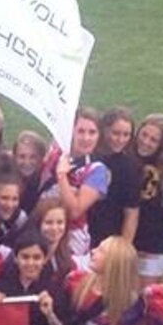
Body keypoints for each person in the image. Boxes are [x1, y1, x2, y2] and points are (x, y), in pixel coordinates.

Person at [41, 107, 109, 261]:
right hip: (41, 225)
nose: (86, 138)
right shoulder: (57, 149)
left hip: (71, 237)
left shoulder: (97, 170)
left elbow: (75, 211)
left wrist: (62, 176)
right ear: (72, 131)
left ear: (99, 136)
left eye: (92, 132)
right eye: (81, 131)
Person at [130, 114, 163, 285]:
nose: (145, 142)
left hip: (152, 247)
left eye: (153, 140)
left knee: (147, 296)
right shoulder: (127, 157)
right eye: (144, 135)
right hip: (126, 241)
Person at [88, 106, 141, 247]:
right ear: (104, 130)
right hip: (82, 234)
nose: (120, 139)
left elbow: (131, 213)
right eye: (116, 133)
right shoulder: (89, 155)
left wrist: (123, 248)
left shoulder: (130, 167)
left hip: (109, 240)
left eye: (126, 134)